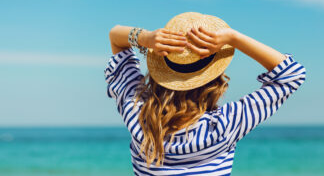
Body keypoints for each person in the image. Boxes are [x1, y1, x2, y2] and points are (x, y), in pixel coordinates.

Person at [104, 12, 306, 175]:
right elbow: (292, 74)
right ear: (214, 78)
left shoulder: (137, 115)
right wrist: (234, 37)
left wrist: (145, 37)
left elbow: (115, 36)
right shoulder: (222, 126)